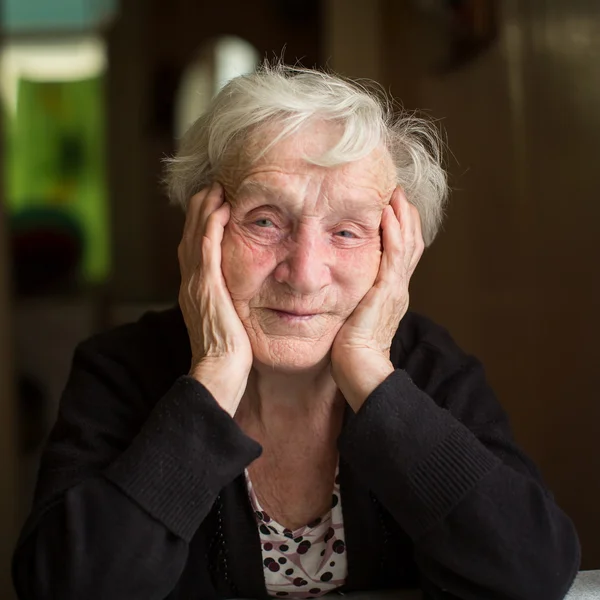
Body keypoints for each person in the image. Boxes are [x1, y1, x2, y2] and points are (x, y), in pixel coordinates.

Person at [12, 63, 580, 600]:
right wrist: (212, 378)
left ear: (398, 252)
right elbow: (67, 586)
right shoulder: (120, 368)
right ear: (198, 231)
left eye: (348, 231)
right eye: (264, 220)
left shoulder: (430, 369)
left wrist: (371, 375)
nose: (304, 274)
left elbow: (530, 576)